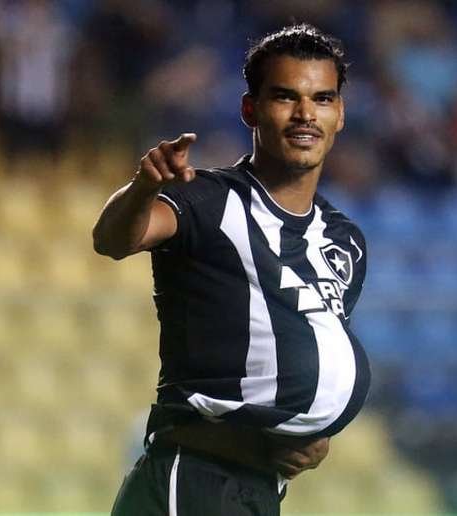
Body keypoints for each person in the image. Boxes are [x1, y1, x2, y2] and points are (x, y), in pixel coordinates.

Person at [92, 24, 370, 515]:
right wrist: (142, 187)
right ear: (251, 110)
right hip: (196, 476)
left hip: (258, 489)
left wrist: (314, 437)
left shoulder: (344, 240)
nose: (306, 114)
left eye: (322, 99)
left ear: (340, 113)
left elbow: (310, 349)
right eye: (286, 97)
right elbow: (114, 239)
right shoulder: (209, 199)